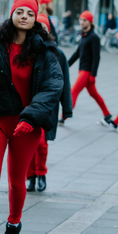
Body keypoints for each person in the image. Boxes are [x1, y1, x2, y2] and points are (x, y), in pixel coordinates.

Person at [0, 0, 63, 234]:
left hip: (27, 124)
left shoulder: (44, 49)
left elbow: (53, 86)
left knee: (16, 182)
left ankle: (14, 223)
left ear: (35, 18)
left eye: (30, 13)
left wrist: (30, 117)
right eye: (19, 11)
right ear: (11, 14)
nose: (24, 16)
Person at [26, 14, 73, 192]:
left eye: (44, 28)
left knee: (42, 143)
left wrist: (67, 109)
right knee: (28, 143)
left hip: (48, 106)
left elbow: (64, 83)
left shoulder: (57, 54)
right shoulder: (26, 50)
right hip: (28, 104)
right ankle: (30, 176)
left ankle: (41, 173)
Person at [68, 11, 115, 127]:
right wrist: (66, 65)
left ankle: (63, 116)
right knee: (94, 94)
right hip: (82, 70)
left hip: (87, 71)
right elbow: (77, 53)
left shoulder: (94, 37)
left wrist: (93, 75)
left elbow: (96, 57)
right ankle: (107, 115)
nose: (81, 22)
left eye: (84, 20)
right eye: (81, 20)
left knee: (73, 92)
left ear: (90, 22)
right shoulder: (83, 35)